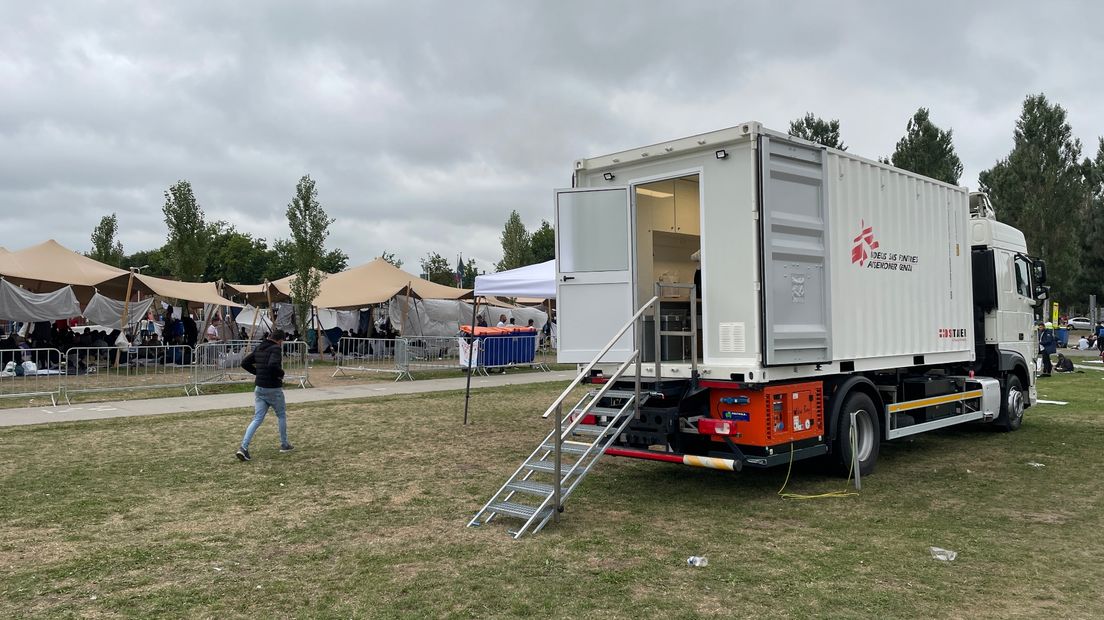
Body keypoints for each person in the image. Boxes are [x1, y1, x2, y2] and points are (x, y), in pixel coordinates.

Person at [236, 329, 292, 461]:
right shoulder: (276, 349)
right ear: (280, 340)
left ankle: (243, 447)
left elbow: (245, 363)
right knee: (281, 415)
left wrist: (258, 373)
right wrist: (281, 374)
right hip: (273, 388)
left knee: (257, 419)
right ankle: (284, 444)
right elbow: (273, 365)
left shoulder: (259, 347)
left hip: (259, 387)